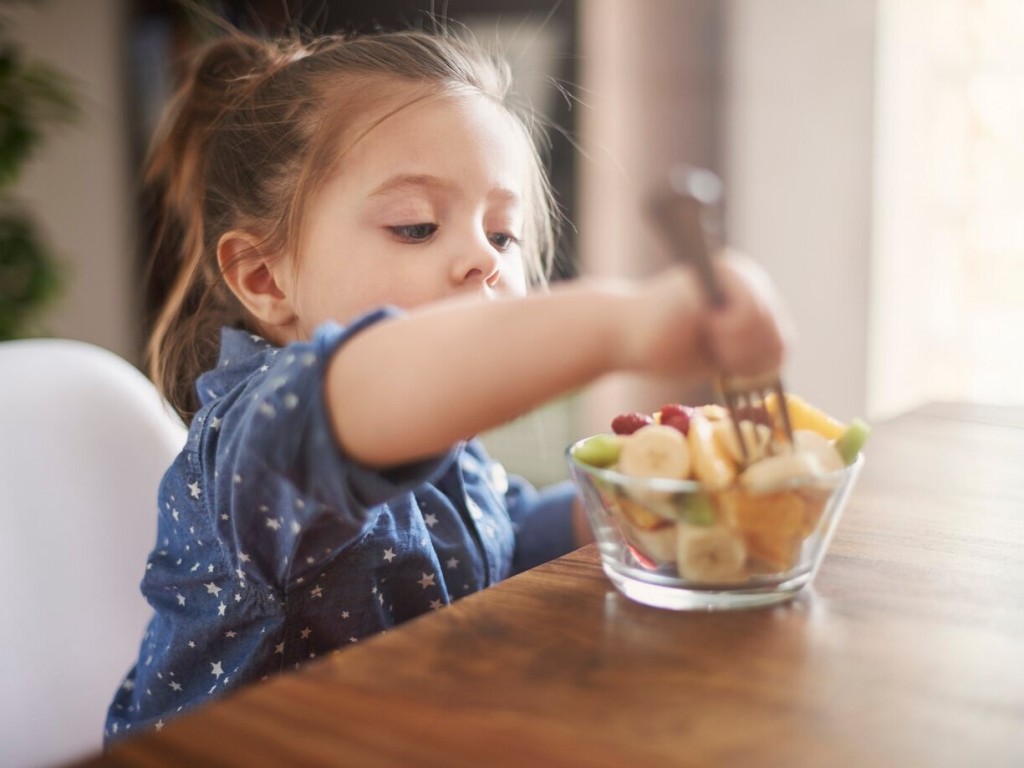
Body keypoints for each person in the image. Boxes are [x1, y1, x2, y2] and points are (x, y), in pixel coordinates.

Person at [105, 25, 789, 743]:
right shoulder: (261, 439)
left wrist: (626, 505)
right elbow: (377, 379)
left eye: (502, 235)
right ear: (264, 277)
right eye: (416, 226)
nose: (482, 260)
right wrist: (627, 322)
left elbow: (496, 538)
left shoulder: (439, 440)